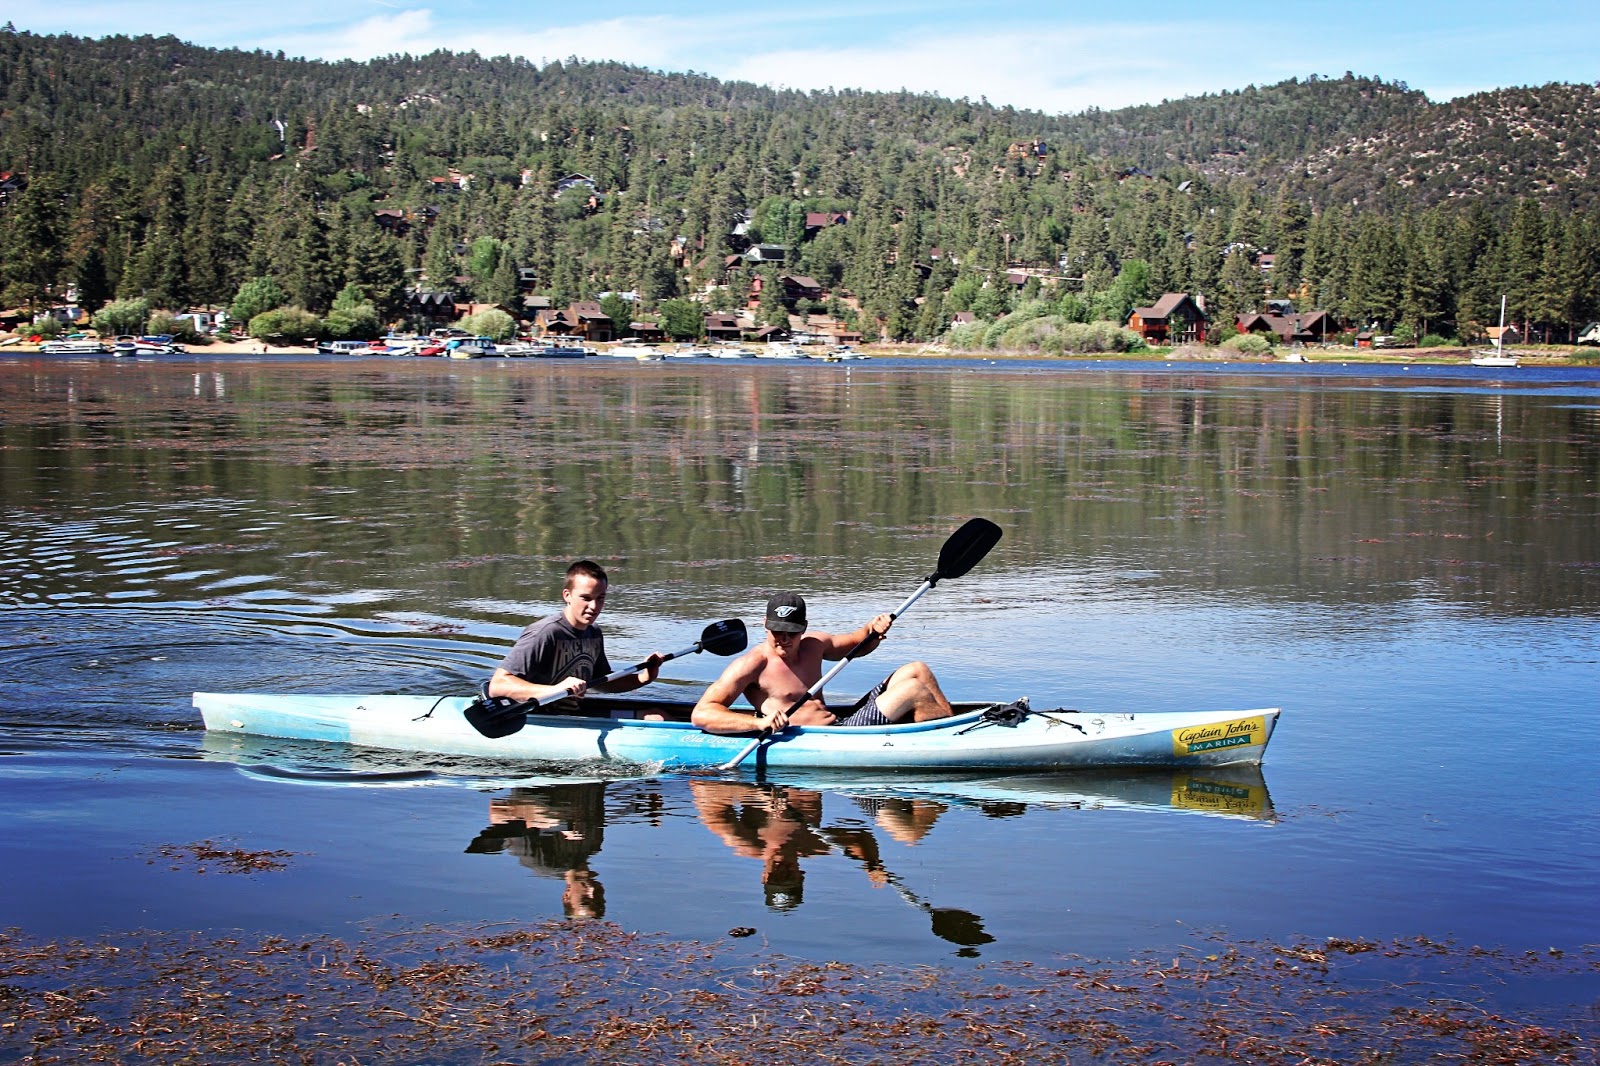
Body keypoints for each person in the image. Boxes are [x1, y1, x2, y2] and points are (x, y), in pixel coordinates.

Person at [690, 592, 954, 735]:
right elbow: (702, 714)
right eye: (776, 631)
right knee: (912, 690)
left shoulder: (814, 644)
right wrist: (759, 723)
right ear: (765, 625)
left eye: (791, 633)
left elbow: (859, 642)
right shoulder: (751, 665)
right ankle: (946, 741)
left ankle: (954, 729)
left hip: (842, 725)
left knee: (917, 670)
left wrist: (874, 628)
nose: (783, 639)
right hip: (815, 738)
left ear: (803, 628)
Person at [487, 560, 663, 715]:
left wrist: (644, 677)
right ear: (567, 595)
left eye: (600, 598)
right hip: (535, 718)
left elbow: (601, 682)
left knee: (655, 715)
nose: (594, 606)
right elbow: (498, 685)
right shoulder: (545, 633)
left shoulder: (593, 632)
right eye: (586, 598)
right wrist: (555, 690)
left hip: (575, 714)